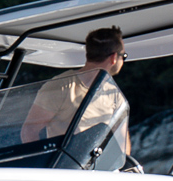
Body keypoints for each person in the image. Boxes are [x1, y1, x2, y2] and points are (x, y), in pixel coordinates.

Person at [20, 27, 130, 159]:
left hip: (97, 171)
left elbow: (122, 144)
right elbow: (29, 131)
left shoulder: (114, 94)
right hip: (66, 171)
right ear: (113, 58)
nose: (123, 60)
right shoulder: (61, 86)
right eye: (123, 56)